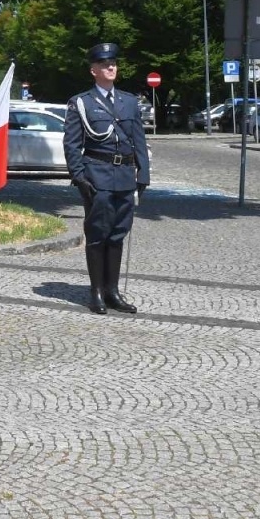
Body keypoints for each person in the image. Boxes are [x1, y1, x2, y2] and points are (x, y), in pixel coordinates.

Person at [64, 42, 151, 315]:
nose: (110, 67)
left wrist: (143, 173)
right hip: (97, 177)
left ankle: (113, 291)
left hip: (125, 176)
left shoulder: (128, 101)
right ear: (93, 70)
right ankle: (97, 292)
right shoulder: (82, 103)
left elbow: (139, 138)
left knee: (117, 234)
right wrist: (79, 177)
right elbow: (71, 144)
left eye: (113, 63)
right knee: (98, 235)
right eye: (104, 64)